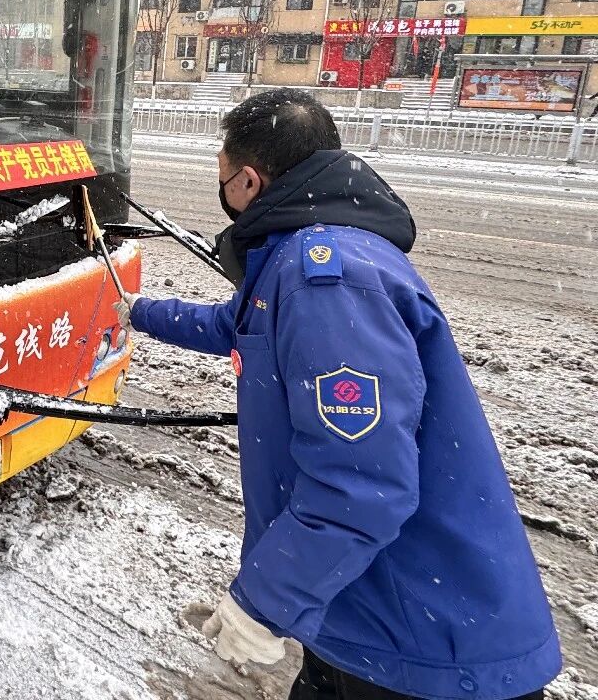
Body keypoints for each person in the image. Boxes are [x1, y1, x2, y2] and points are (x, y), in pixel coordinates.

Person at [119, 88, 559, 700]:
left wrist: (262, 605)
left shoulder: (327, 279)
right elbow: (239, 326)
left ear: (248, 180)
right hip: (363, 611)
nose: (223, 192)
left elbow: (360, 485)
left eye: (223, 176)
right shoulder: (313, 247)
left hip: (421, 644)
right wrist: (139, 311)